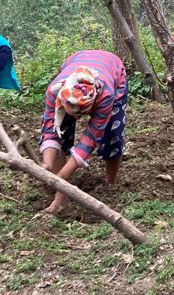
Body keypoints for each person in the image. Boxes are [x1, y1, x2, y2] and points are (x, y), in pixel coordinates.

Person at [39, 50, 128, 214]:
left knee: (112, 135)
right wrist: (46, 164)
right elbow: (51, 131)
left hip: (112, 69)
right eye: (73, 112)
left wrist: (60, 176)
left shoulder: (105, 96)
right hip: (76, 60)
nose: (78, 117)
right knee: (61, 133)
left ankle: (110, 186)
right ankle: (61, 199)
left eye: (82, 112)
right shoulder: (54, 92)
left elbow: (90, 139)